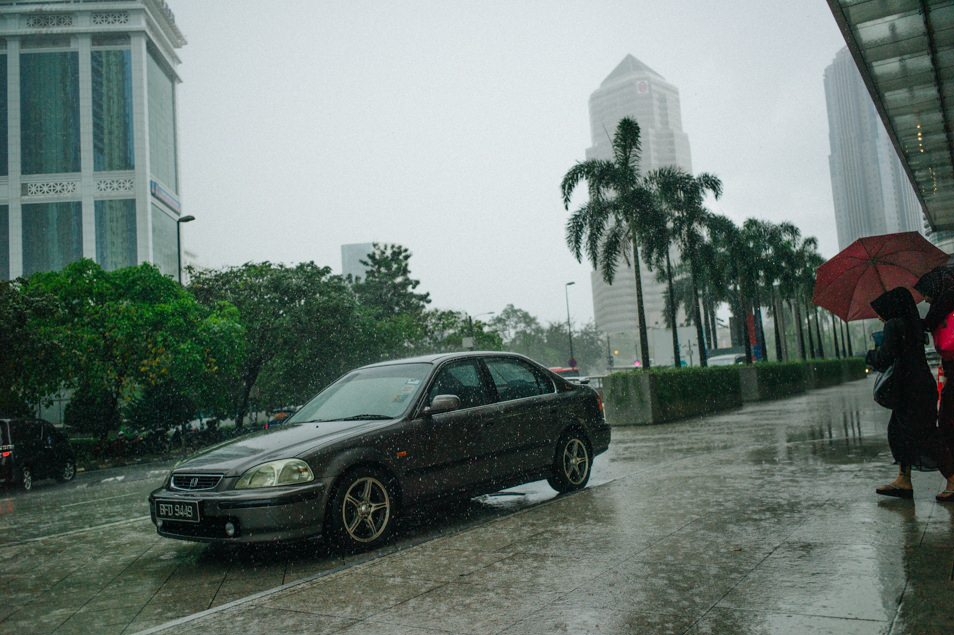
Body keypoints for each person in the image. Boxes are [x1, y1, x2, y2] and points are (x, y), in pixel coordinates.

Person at [866, 287, 954, 500]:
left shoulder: (894, 325)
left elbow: (883, 359)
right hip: (919, 389)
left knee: (926, 437)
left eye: (881, 309)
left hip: (911, 391)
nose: (879, 315)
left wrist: (871, 354)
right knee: (899, 433)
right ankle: (903, 480)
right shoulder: (912, 325)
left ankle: (952, 479)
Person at [914, 267, 954, 501]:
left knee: (946, 426)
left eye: (926, 294)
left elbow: (929, 321)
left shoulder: (947, 299)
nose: (926, 299)